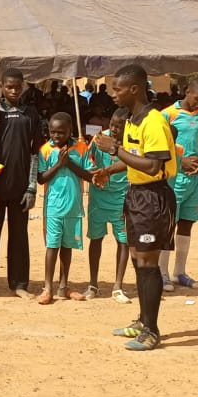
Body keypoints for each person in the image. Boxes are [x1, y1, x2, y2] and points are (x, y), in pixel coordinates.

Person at [92, 65, 177, 351]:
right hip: (136, 195)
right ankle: (142, 320)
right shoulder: (131, 120)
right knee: (137, 259)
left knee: (148, 264)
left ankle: (152, 331)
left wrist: (114, 149)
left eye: (117, 89)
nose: (112, 93)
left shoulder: (154, 122)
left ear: (134, 89)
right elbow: (134, 158)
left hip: (154, 198)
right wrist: (109, 170)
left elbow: (153, 166)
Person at [0, 69, 40, 299]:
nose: (14, 91)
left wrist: (31, 187)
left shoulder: (30, 113)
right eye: (9, 87)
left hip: (21, 187)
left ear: (23, 86)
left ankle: (19, 284)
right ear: (1, 87)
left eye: (17, 87)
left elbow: (35, 153)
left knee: (19, 236)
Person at [160, 76, 198, 290]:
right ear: (186, 91)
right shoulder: (167, 114)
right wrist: (180, 161)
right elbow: (161, 146)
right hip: (174, 178)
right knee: (168, 224)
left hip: (194, 179)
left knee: (187, 222)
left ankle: (179, 272)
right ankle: (162, 272)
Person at [34, 113, 92, 304]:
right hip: (53, 207)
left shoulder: (81, 148)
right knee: (52, 246)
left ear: (70, 130)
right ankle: (48, 288)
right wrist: (59, 164)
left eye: (61, 132)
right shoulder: (45, 150)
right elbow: (41, 178)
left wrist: (70, 164)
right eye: (53, 132)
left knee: (67, 246)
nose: (56, 136)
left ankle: (63, 286)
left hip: (73, 206)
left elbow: (90, 175)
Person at [87, 108, 133, 303]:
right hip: (98, 197)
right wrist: (93, 174)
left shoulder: (131, 143)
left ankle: (118, 286)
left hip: (122, 197)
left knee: (123, 240)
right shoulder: (98, 139)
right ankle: (93, 284)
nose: (114, 129)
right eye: (112, 125)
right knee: (96, 238)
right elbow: (88, 161)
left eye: (119, 127)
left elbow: (135, 165)